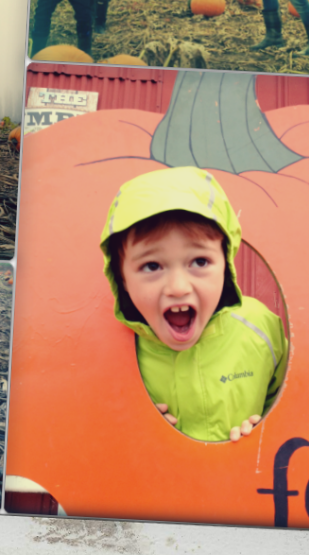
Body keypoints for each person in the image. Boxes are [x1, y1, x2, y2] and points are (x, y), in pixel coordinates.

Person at [100, 167, 289, 443]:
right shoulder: (110, 351)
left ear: (226, 263)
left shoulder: (260, 327)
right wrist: (134, 428)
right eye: (152, 265)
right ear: (122, 279)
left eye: (200, 262)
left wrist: (263, 430)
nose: (178, 287)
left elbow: (290, 404)